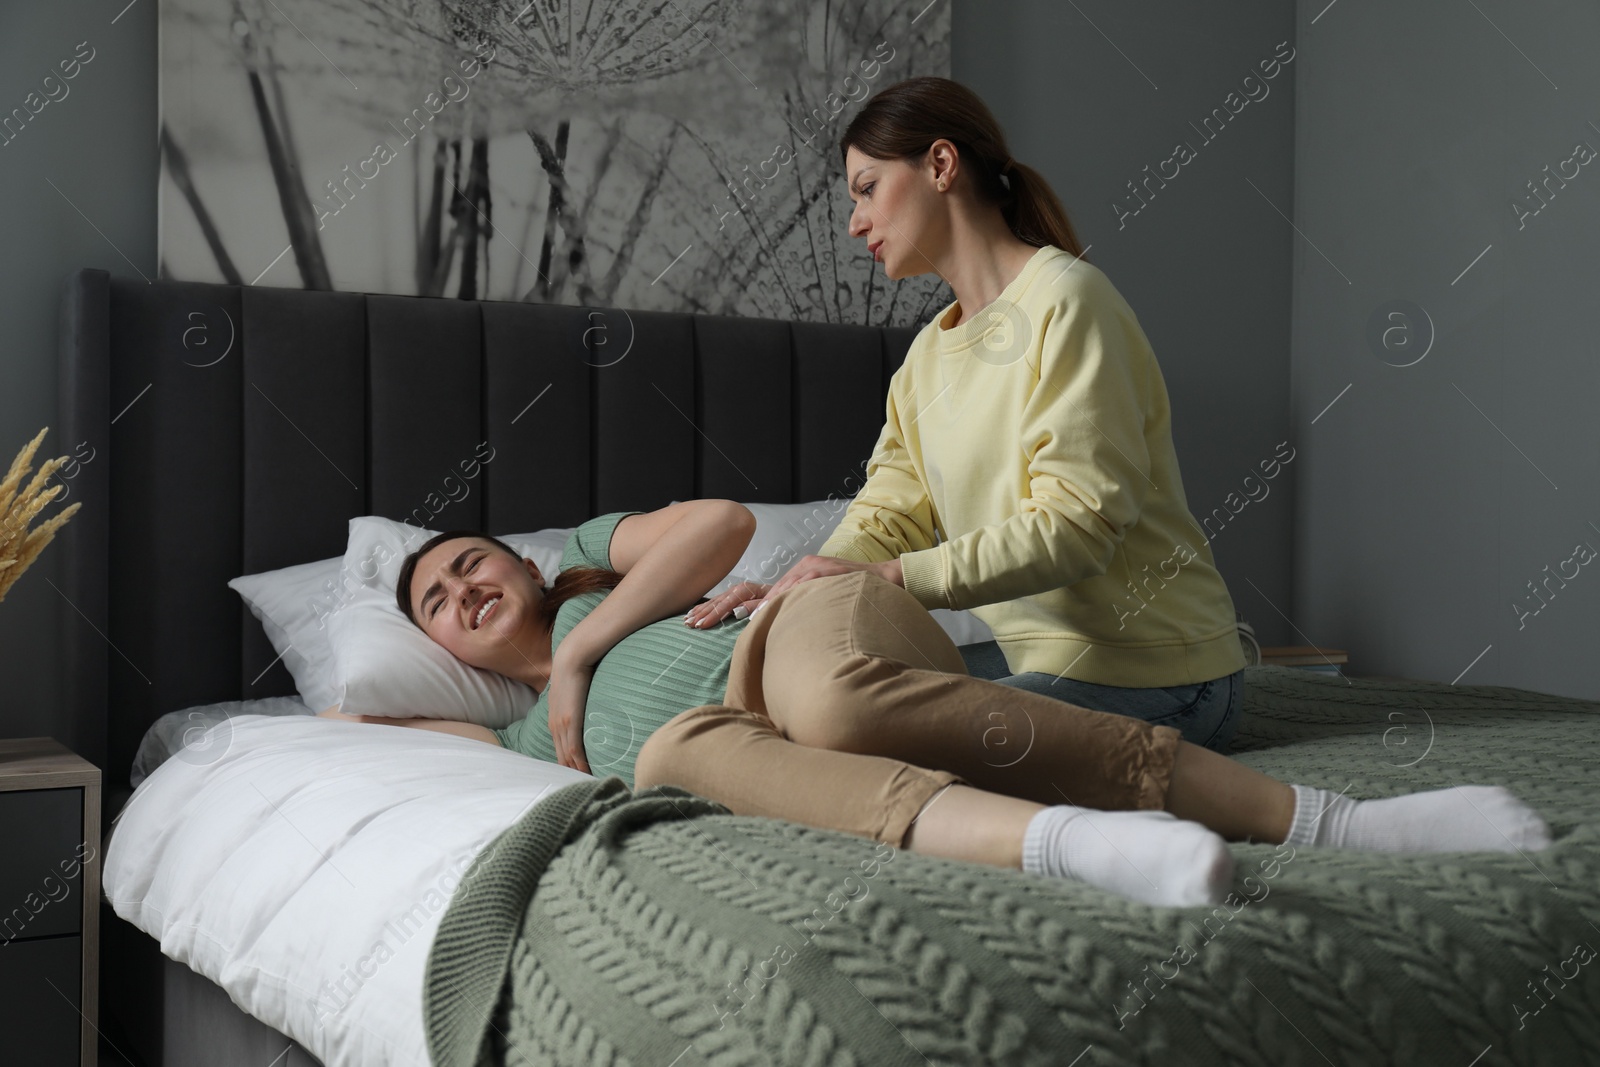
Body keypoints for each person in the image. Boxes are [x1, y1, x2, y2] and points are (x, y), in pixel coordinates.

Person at [319, 503, 1553, 908]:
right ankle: (1083, 841)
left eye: (474, 560)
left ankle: (1333, 821)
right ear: (433, 639)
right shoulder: (513, 734)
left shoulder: (597, 560)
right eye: (433, 596)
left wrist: (585, 647)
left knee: (836, 708)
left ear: (529, 562)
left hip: (801, 627)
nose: (461, 586)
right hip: (734, 735)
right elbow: (351, 724)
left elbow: (723, 527)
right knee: (684, 759)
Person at [728, 75, 1249, 753]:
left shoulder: (1068, 301)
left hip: (1168, 679)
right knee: (814, 712)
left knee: (867, 738)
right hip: (1038, 668)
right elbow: (886, 517)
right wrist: (798, 588)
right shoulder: (923, 362)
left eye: (866, 188)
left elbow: (1077, 525)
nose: (855, 221)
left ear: (940, 165)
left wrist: (896, 577)